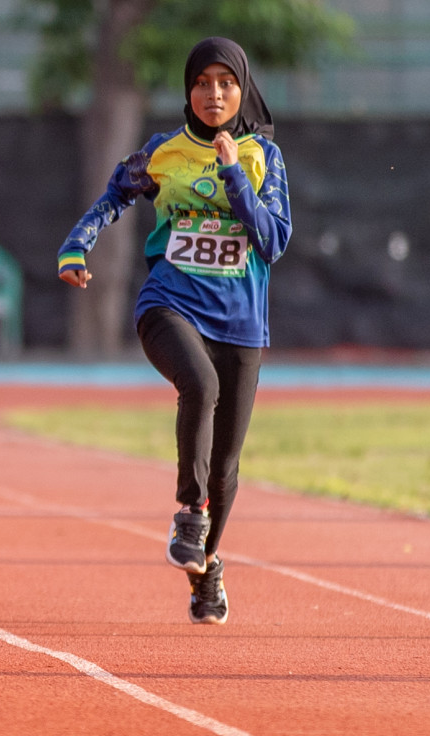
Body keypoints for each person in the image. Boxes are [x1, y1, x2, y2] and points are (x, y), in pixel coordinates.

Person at [56, 37, 291, 625]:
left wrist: (235, 175)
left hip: (242, 322)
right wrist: (75, 244)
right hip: (170, 304)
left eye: (226, 83)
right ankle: (190, 511)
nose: (214, 94)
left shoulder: (264, 157)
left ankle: (206, 567)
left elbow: (274, 240)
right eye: (202, 83)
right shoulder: (163, 153)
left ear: (242, 90)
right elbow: (114, 197)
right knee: (200, 385)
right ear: (188, 90)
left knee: (228, 465)